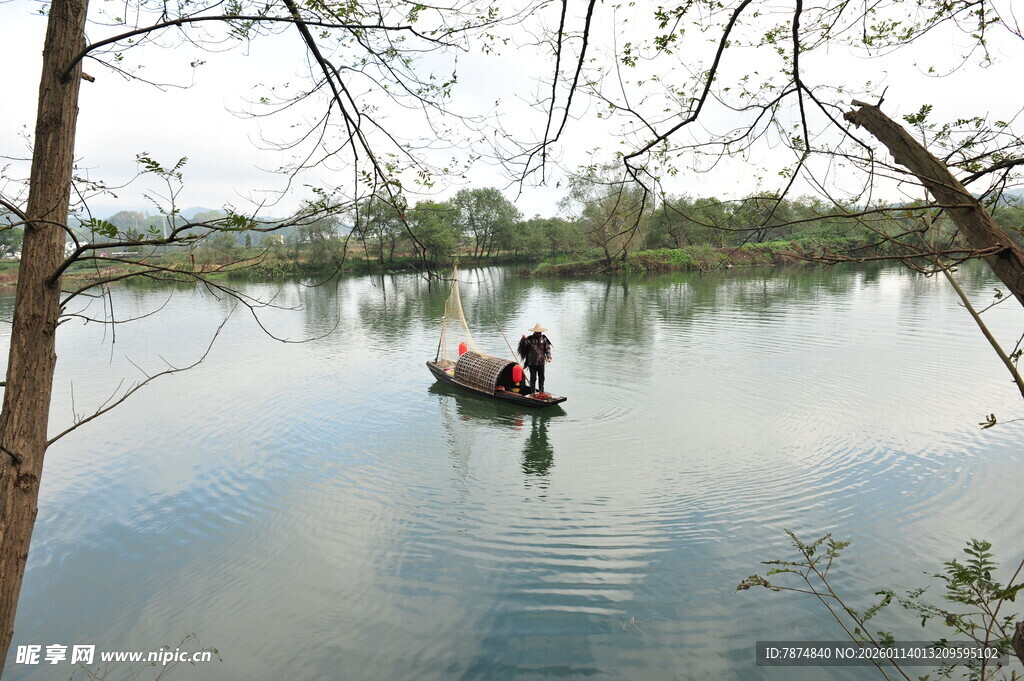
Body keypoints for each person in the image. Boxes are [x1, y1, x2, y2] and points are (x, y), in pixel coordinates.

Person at [517, 323, 553, 393]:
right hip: (532, 362)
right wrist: (523, 339)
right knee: (533, 378)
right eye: (537, 332)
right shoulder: (529, 339)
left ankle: (541, 391)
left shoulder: (544, 339)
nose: (539, 334)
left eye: (540, 332)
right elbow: (523, 346)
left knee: (542, 377)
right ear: (535, 332)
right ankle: (532, 392)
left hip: (541, 362)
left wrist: (549, 356)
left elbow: (547, 348)